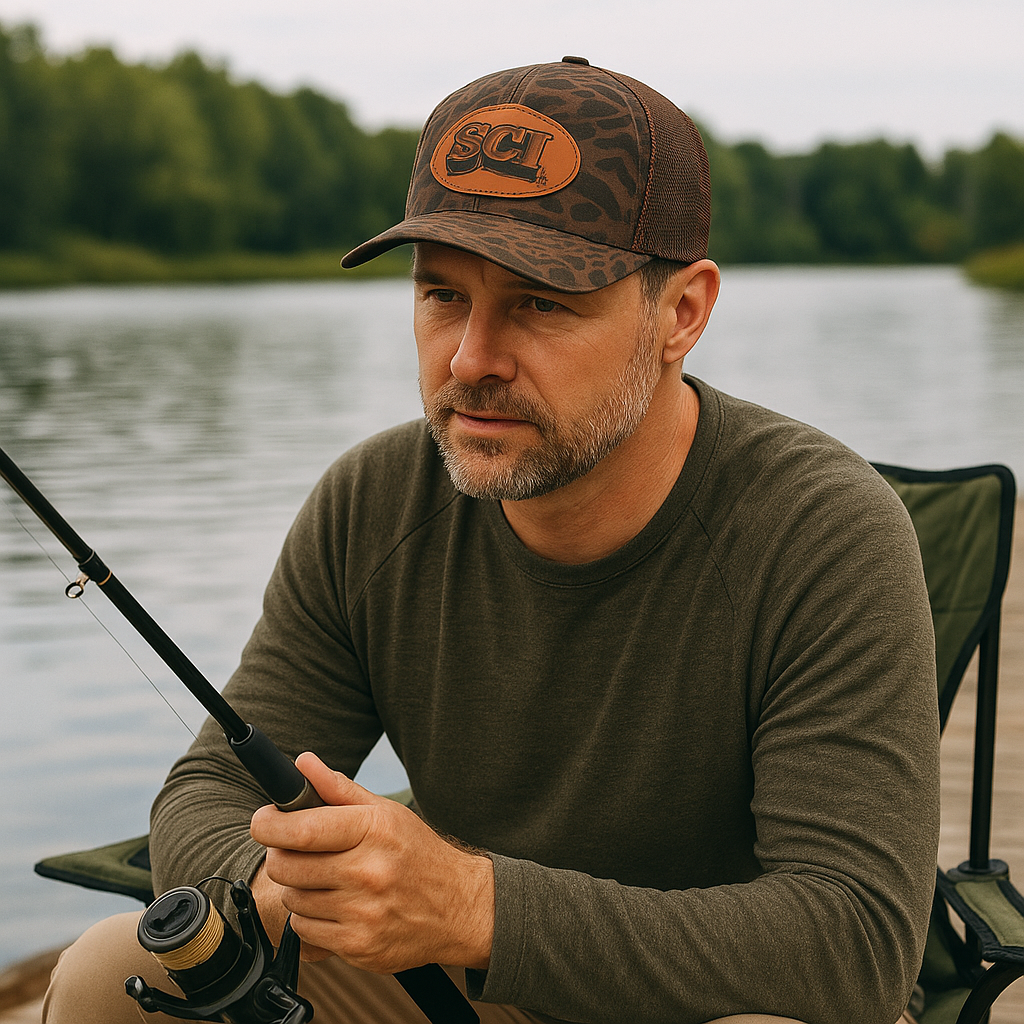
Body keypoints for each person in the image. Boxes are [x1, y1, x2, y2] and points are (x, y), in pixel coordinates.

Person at [43, 58, 939, 1024]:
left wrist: (477, 908)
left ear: (681, 313)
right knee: (106, 977)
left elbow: (856, 944)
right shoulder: (372, 503)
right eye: (441, 296)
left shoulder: (823, 533)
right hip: (467, 988)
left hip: (723, 996)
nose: (471, 359)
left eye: (540, 302)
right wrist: (281, 882)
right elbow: (211, 788)